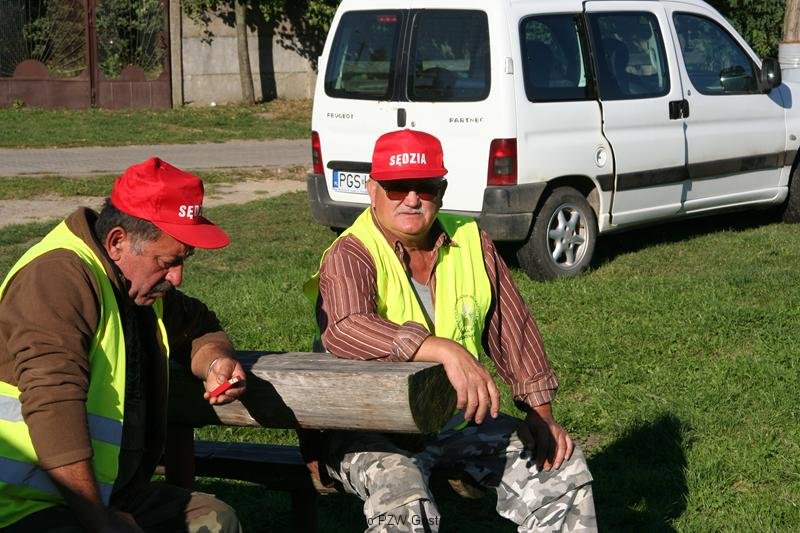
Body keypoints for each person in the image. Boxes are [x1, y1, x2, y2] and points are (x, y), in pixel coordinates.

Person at [305, 129, 596, 532]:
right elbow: (345, 327)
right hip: (368, 432)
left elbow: (513, 329)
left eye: (424, 187)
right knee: (402, 498)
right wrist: (441, 348)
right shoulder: (352, 251)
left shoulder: (471, 240)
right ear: (372, 190)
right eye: (396, 187)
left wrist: (540, 414)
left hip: (456, 422)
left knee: (562, 467)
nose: (411, 198)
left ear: (441, 192)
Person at [0, 157, 246, 532]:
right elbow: (53, 402)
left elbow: (200, 326)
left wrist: (216, 362)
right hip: (24, 506)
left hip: (109, 495)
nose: (177, 277)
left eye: (184, 260)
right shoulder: (57, 278)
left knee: (217, 521)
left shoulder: (137, 285)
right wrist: (101, 521)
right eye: (168, 261)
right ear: (118, 242)